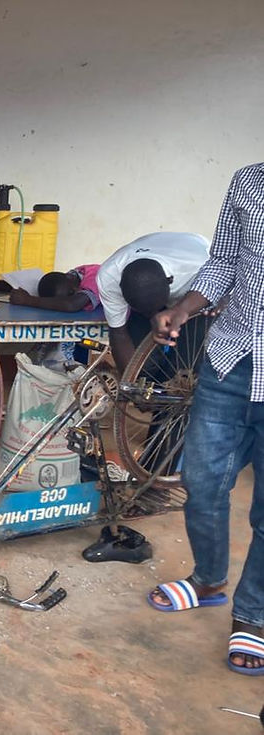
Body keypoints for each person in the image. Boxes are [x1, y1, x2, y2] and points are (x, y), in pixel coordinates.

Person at [146, 163, 264, 676]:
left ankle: (253, 615)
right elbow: (221, 266)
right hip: (231, 357)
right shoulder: (248, 182)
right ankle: (209, 580)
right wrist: (186, 307)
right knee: (201, 478)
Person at [94, 232, 209, 374]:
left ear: (170, 281)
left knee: (188, 366)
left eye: (155, 310)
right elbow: (118, 332)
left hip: (194, 294)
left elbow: (227, 294)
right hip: (146, 296)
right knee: (143, 366)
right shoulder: (109, 277)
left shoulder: (200, 266)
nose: (155, 316)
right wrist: (129, 384)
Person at [9, 264, 101, 312]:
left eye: (70, 292)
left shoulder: (95, 276)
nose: (75, 293)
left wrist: (28, 300)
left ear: (70, 276)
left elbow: (71, 305)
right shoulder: (73, 278)